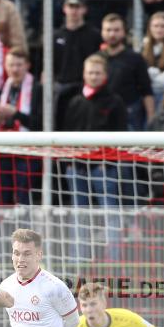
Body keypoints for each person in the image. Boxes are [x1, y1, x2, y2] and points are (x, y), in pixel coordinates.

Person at [57, 53, 128, 262]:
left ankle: (114, 261)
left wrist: (109, 161)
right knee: (79, 215)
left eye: (98, 73)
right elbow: (66, 133)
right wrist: (69, 162)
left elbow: (120, 135)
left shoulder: (115, 101)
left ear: (105, 75)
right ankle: (77, 261)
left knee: (110, 213)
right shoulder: (74, 101)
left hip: (103, 168)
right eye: (90, 72)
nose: (94, 76)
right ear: (84, 74)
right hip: (76, 166)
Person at [0, 47, 42, 206]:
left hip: (27, 152)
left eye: (19, 65)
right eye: (11, 65)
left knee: (24, 200)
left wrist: (16, 114)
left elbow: (40, 124)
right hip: (2, 149)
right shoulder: (3, 88)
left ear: (27, 65)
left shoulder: (38, 89)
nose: (15, 69)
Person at [100, 13, 154, 131]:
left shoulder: (135, 58)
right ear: (102, 32)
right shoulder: (96, 58)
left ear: (124, 32)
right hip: (102, 114)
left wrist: (151, 117)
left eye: (116, 30)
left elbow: (147, 90)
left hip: (130, 114)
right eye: (108, 30)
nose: (112, 34)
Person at [53, 0, 102, 97]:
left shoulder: (94, 35)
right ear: (64, 8)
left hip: (86, 86)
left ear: (84, 9)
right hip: (61, 86)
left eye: (78, 7)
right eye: (71, 6)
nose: (74, 11)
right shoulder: (56, 36)